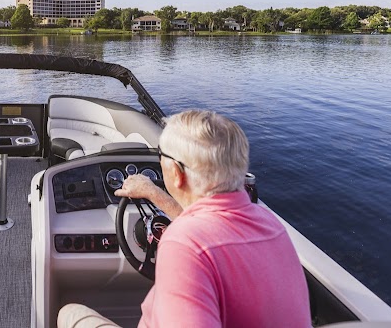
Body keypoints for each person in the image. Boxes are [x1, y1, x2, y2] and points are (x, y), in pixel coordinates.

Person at [58, 110, 310, 328]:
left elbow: (196, 242)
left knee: (69, 313)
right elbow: (208, 231)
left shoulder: (184, 244)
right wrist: (153, 194)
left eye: (161, 155)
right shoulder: (269, 222)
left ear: (176, 173)